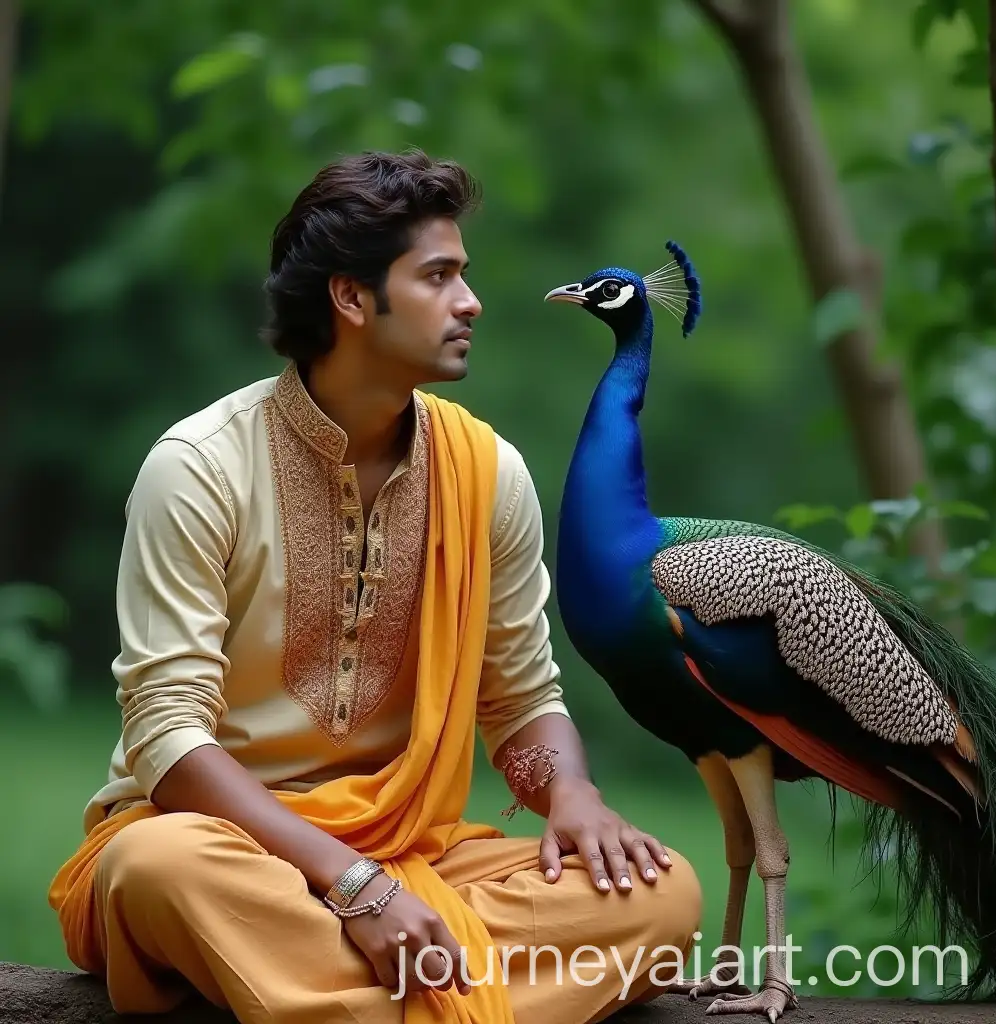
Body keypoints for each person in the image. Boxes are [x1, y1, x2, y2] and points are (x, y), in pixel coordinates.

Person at [48, 149, 702, 1024]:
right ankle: (440, 990)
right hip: (234, 849)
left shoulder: (487, 473)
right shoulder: (199, 468)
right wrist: (350, 885)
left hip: (410, 858)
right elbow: (166, 738)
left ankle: (316, 992)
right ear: (352, 299)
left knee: (661, 899)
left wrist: (573, 796)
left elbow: (518, 699)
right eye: (438, 276)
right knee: (157, 870)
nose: (470, 303)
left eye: (462, 276)